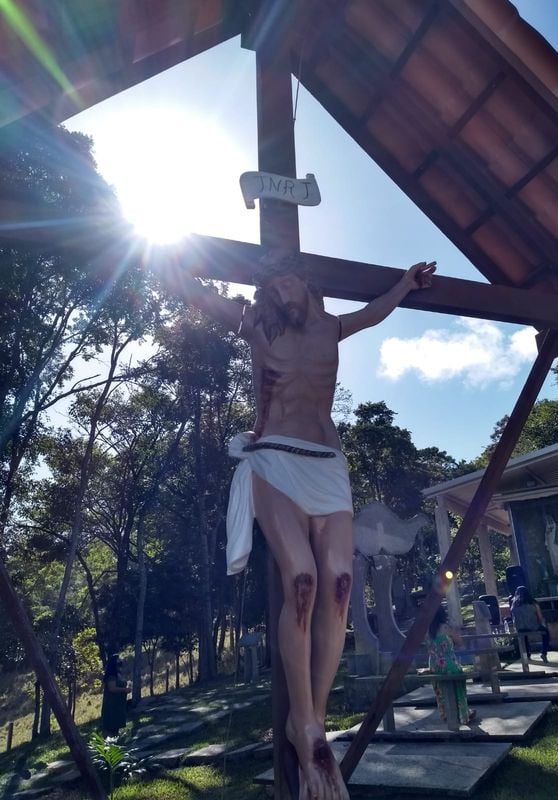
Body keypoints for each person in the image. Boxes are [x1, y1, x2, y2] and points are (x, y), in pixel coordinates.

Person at [159, 248, 435, 800]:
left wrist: (404, 283)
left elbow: (374, 313)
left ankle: (315, 711)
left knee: (339, 582)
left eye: (285, 285)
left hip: (327, 466)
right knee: (303, 580)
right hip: (276, 458)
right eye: (271, 289)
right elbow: (196, 296)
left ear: (305, 285)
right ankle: (303, 723)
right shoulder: (254, 325)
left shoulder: (332, 326)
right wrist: (170, 259)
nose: (278, 296)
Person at [426, 605, 477, 726]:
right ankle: (464, 714)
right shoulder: (446, 628)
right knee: (459, 687)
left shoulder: (427, 630)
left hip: (434, 664)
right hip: (448, 662)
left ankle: (445, 714)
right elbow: (459, 642)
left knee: (440, 691)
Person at [510, 586, 550, 663]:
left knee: (523, 636)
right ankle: (543, 652)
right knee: (546, 632)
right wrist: (542, 624)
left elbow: (513, 618)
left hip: (520, 628)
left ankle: (527, 655)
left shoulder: (514, 604)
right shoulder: (533, 603)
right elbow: (540, 617)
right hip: (533, 626)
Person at [101, 654, 129, 737]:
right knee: (110, 727)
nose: (120, 661)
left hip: (119, 704)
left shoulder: (119, 674)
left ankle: (115, 742)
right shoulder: (111, 676)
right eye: (118, 660)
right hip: (112, 704)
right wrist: (124, 690)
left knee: (116, 726)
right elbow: (112, 688)